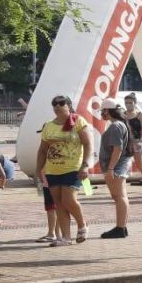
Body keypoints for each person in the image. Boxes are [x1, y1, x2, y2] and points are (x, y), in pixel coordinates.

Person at [34, 95, 92, 247]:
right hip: (53, 170)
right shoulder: (48, 126)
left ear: (68, 105)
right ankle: (65, 238)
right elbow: (42, 150)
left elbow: (88, 144)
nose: (57, 106)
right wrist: (38, 169)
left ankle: (82, 225)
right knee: (58, 203)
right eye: (54, 104)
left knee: (69, 200)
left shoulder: (78, 121)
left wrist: (85, 165)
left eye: (61, 103)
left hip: (73, 168)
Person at [98, 98, 132, 238]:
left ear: (107, 111)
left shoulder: (115, 126)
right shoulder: (119, 124)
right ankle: (122, 226)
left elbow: (117, 149)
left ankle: (120, 227)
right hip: (119, 165)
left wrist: (111, 168)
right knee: (120, 196)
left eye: (103, 111)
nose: (102, 114)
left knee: (119, 196)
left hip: (116, 167)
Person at [123, 93, 142, 192]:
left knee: (139, 164)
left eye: (130, 103)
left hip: (137, 141)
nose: (128, 105)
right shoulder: (123, 115)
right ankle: (122, 186)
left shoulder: (139, 114)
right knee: (124, 163)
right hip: (126, 143)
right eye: (126, 103)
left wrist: (141, 140)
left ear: (135, 103)